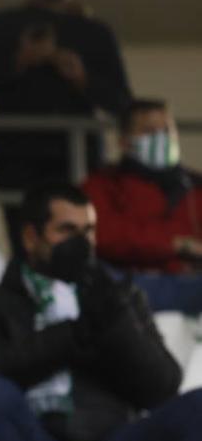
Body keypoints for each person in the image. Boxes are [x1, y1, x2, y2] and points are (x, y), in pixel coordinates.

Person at [0, 184, 202, 441]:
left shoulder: (120, 298)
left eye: (89, 231)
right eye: (67, 230)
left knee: (197, 406)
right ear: (31, 237)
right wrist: (72, 336)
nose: (81, 243)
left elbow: (163, 387)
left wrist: (115, 321)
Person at [0, 0, 131, 247]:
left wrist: (82, 79)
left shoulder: (95, 32)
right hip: (17, 155)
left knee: (76, 241)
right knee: (25, 241)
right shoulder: (4, 25)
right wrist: (19, 61)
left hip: (78, 155)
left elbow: (122, 103)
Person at [82, 98, 202, 313]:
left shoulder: (195, 186)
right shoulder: (102, 185)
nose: (160, 137)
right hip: (128, 283)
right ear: (124, 141)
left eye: (166, 130)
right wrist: (175, 245)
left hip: (190, 284)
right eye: (149, 131)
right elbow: (104, 236)